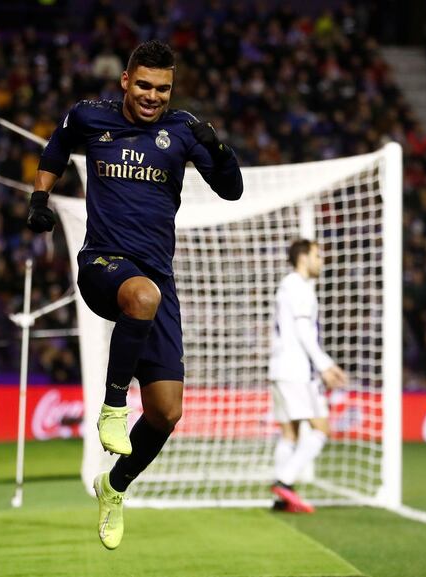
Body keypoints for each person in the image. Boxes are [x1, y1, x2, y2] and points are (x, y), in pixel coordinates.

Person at [26, 40, 243, 549]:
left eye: (162, 89)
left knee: (168, 412)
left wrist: (216, 147)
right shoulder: (89, 117)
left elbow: (232, 190)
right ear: (125, 80)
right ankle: (112, 407)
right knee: (141, 297)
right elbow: (56, 148)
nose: (151, 97)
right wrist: (40, 197)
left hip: (156, 278)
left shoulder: (183, 130)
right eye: (143, 85)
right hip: (103, 265)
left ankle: (114, 485)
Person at [268, 239, 347, 513]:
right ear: (303, 258)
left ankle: (280, 500)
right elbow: (304, 333)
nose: (321, 261)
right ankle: (285, 482)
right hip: (296, 370)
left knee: (290, 433)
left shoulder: (286, 286)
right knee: (321, 429)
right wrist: (325, 365)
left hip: (279, 369)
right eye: (317, 255)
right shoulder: (300, 288)